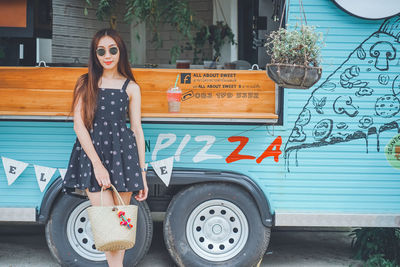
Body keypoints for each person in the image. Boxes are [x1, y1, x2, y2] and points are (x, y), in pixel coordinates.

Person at [62, 28, 148, 267]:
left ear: (121, 52)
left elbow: (137, 130)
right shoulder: (86, 82)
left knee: (119, 228)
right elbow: (79, 126)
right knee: (107, 224)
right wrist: (97, 165)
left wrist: (142, 173)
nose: (107, 55)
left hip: (124, 158)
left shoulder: (131, 88)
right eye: (101, 50)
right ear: (95, 54)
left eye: (112, 49)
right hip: (93, 159)